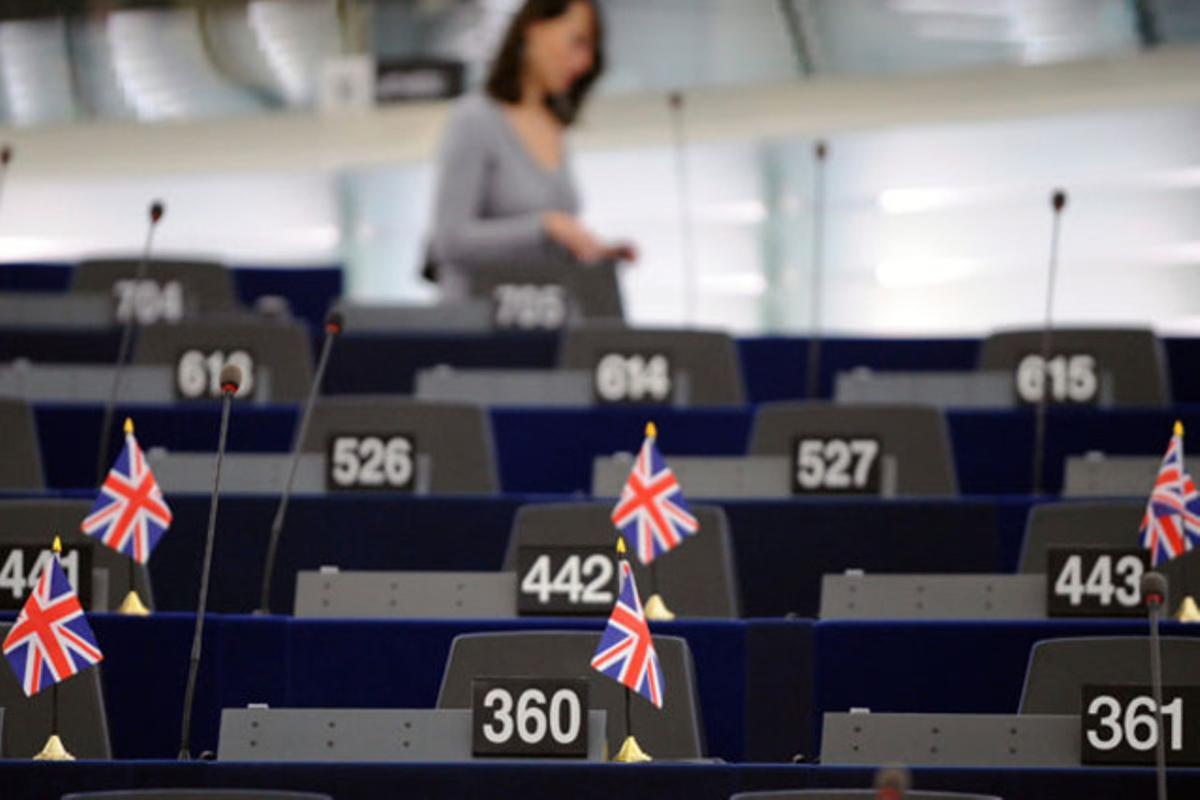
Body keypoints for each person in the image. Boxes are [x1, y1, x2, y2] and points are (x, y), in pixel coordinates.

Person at [427, 0, 635, 298]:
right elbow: (449, 240)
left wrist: (589, 248)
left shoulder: (553, 123)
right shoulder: (474, 118)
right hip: (479, 327)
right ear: (534, 29)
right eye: (578, 41)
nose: (585, 62)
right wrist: (545, 227)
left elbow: (546, 239)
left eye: (591, 49)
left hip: (545, 316)